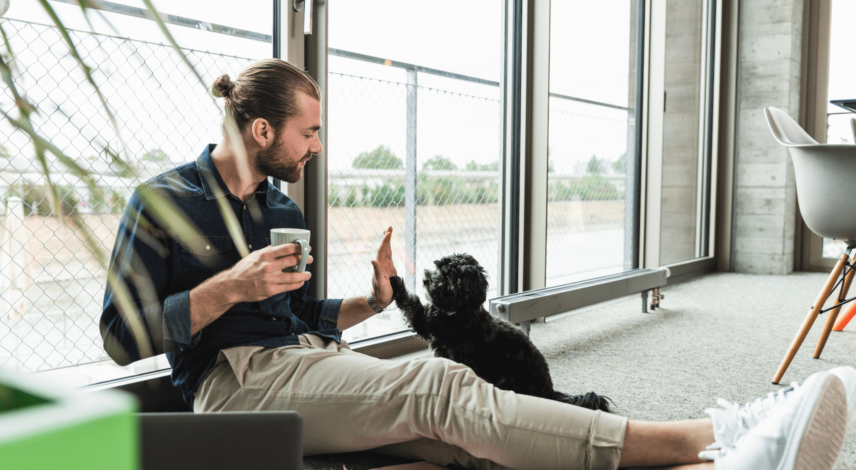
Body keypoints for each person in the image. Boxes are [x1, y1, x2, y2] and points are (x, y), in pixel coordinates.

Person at [100, 58, 852, 470]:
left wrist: (372, 300)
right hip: (234, 387)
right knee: (442, 385)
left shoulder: (283, 207)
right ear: (261, 128)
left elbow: (297, 316)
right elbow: (119, 337)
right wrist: (226, 287)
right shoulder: (161, 201)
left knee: (475, 445)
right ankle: (711, 434)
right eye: (310, 132)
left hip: (303, 360)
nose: (318, 147)